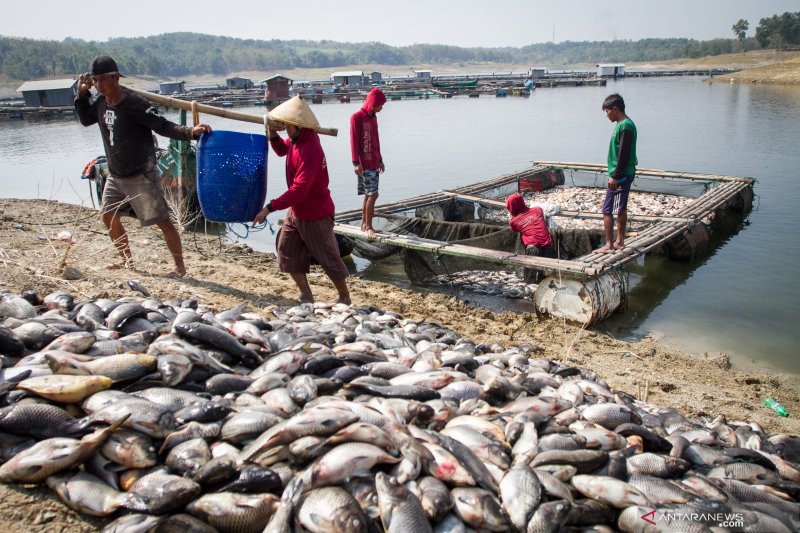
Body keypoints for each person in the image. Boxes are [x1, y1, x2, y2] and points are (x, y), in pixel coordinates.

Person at [75, 55, 211, 278]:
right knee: (109, 216)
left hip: (140, 175)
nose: (99, 85)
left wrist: (190, 132)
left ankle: (180, 266)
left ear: (116, 78)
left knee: (162, 221)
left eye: (103, 80)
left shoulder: (135, 104)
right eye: (95, 81)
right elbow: (86, 119)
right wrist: (82, 94)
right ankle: (127, 260)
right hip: (115, 174)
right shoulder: (100, 102)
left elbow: (163, 126)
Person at [253, 96, 351, 305]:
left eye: (287, 124)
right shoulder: (298, 140)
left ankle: (344, 297)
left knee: (328, 257)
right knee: (287, 251)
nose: (285, 128)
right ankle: (306, 294)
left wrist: (269, 208)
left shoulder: (310, 148)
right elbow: (281, 150)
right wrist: (272, 135)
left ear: (297, 125)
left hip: (315, 212)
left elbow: (299, 190)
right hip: (297, 211)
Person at [597, 93, 637, 254]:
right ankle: (619, 241)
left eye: (607, 111)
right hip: (623, 173)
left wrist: (615, 176)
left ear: (615, 109)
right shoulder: (622, 124)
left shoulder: (626, 126)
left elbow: (624, 153)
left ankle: (610, 244)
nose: (606, 115)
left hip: (621, 175)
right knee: (620, 207)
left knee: (607, 209)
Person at [350, 87, 387, 238]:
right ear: (373, 103)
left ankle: (364, 224)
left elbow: (376, 139)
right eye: (380, 104)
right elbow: (353, 141)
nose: (381, 107)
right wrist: (355, 163)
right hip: (363, 163)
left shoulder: (373, 118)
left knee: (368, 194)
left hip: (374, 162)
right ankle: (370, 227)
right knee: (373, 194)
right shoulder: (356, 117)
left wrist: (381, 159)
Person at [506, 193, 555, 284]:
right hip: (549, 248)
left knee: (529, 282)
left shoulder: (513, 222)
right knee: (546, 280)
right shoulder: (538, 210)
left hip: (533, 249)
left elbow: (515, 228)